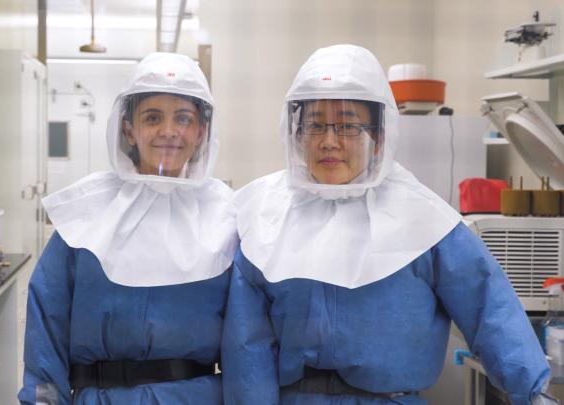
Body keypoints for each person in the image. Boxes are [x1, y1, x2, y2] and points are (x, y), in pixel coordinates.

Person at [222, 44, 557, 405]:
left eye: (349, 126)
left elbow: (489, 308)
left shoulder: (425, 220)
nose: (329, 141)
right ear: (296, 133)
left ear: (380, 135)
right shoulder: (266, 216)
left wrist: (533, 392)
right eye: (315, 125)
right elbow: (247, 345)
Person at [18, 52, 238, 405]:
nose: (169, 131)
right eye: (153, 117)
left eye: (183, 118)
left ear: (201, 131)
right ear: (128, 128)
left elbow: (245, 342)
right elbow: (47, 326)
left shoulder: (227, 218)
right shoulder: (87, 214)